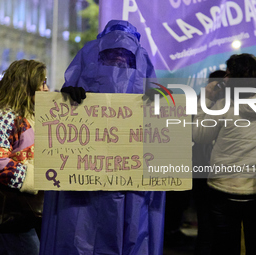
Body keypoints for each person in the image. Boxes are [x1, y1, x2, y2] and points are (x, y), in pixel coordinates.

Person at [40, 20, 165, 255]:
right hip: (81, 193)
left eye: (126, 60)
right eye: (109, 58)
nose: (117, 65)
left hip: (128, 192)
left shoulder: (154, 105)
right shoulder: (70, 101)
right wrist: (65, 102)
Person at [192, 53, 256, 255]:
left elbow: (199, 135)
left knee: (225, 247)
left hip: (222, 191)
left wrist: (207, 98)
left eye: (229, 74)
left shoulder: (223, 106)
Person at [0, 59, 48, 255]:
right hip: (14, 210)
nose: (46, 88)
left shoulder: (29, 114)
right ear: (26, 83)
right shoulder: (3, 117)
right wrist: (36, 179)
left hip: (30, 209)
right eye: (41, 82)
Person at [192, 70, 226, 255]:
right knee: (206, 220)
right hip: (202, 168)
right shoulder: (201, 101)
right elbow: (196, 133)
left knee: (214, 222)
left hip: (214, 169)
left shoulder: (226, 104)